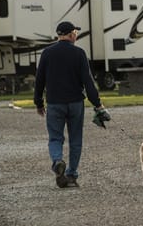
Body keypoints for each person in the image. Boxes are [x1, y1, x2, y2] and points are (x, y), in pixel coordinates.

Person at [34, 21, 110, 188]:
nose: (76, 35)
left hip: (54, 103)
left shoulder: (47, 53)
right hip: (75, 103)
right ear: (71, 34)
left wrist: (38, 103)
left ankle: (57, 161)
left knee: (55, 137)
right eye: (75, 32)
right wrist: (98, 105)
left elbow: (39, 80)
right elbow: (88, 81)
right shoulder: (79, 53)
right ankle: (71, 174)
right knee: (75, 139)